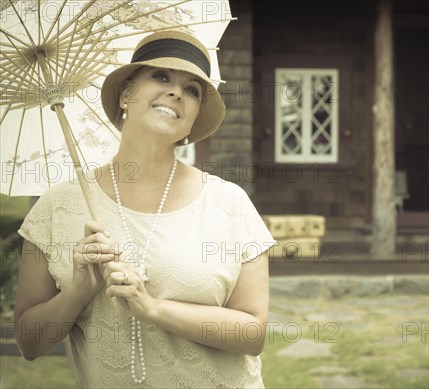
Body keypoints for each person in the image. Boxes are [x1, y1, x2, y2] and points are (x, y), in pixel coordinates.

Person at [14, 30, 275, 388]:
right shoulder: (57, 208)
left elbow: (253, 334)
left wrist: (152, 308)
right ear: (126, 93)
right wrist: (77, 293)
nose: (175, 92)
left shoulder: (229, 204)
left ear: (194, 117)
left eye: (192, 90)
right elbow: (29, 343)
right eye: (160, 76)